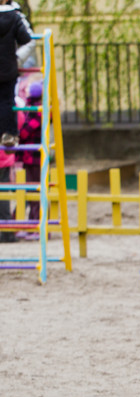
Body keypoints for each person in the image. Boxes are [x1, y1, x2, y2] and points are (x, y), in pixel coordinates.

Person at [0, 0, 33, 147]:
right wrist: (17, 58)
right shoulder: (15, 16)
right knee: (7, 101)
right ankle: (9, 134)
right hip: (8, 67)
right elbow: (26, 38)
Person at [14, 81, 40, 236]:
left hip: (34, 157)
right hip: (31, 157)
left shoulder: (38, 111)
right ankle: (30, 224)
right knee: (30, 191)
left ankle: (35, 224)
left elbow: (25, 132)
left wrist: (17, 134)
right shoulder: (33, 109)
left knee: (35, 191)